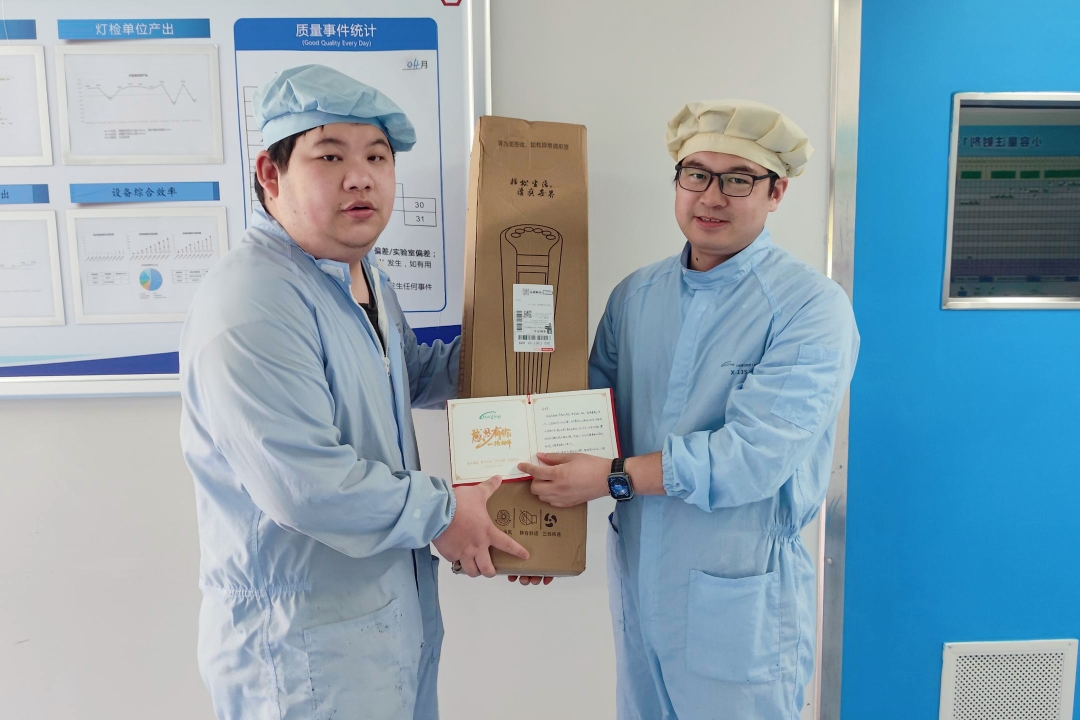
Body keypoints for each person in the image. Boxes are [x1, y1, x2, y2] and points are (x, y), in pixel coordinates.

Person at [179, 64, 527, 720]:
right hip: (302, 650)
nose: (361, 176)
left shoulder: (359, 277)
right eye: (330, 155)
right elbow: (305, 484)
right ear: (271, 174)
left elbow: (405, 375)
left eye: (377, 156)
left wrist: (529, 352)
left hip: (379, 626)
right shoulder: (254, 300)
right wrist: (445, 512)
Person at [519, 99, 860, 719]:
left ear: (777, 192)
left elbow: (752, 459)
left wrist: (613, 477)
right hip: (640, 582)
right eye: (696, 173)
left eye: (738, 179)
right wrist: (539, 531)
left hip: (741, 596)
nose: (711, 196)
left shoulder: (809, 307)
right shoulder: (636, 295)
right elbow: (588, 420)